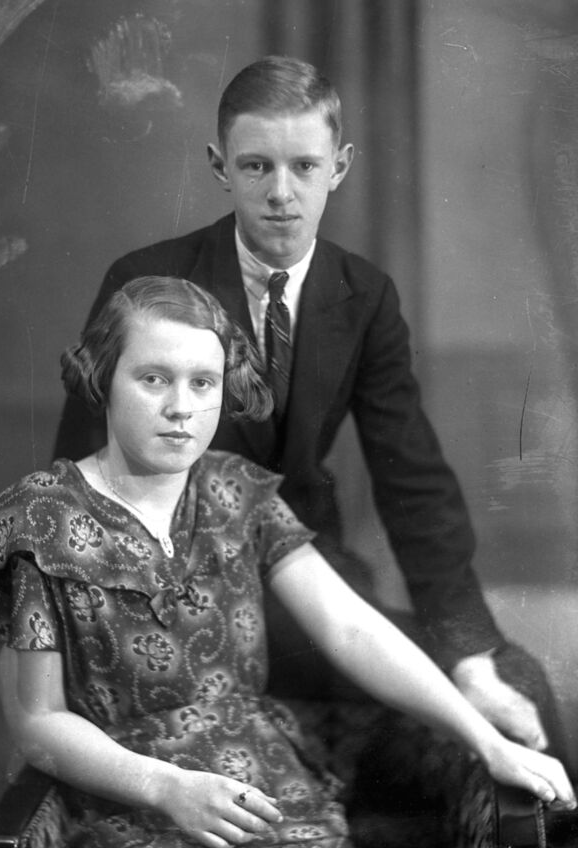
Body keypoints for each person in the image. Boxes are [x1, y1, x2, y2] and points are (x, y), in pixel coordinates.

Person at [0, 277, 576, 848]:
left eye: (203, 383)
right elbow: (37, 723)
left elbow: (349, 626)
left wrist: (486, 741)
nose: (181, 407)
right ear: (104, 379)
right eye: (153, 379)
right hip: (132, 812)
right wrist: (167, 788)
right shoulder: (38, 519)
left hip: (272, 792)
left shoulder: (235, 491)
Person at [54, 56, 552, 759]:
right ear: (220, 166)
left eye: (305, 167)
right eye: (256, 166)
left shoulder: (364, 296)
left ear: (338, 167)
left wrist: (469, 657)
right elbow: (78, 476)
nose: (281, 194)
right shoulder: (145, 283)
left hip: (315, 590)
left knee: (516, 684)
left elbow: (413, 482)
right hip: (171, 598)